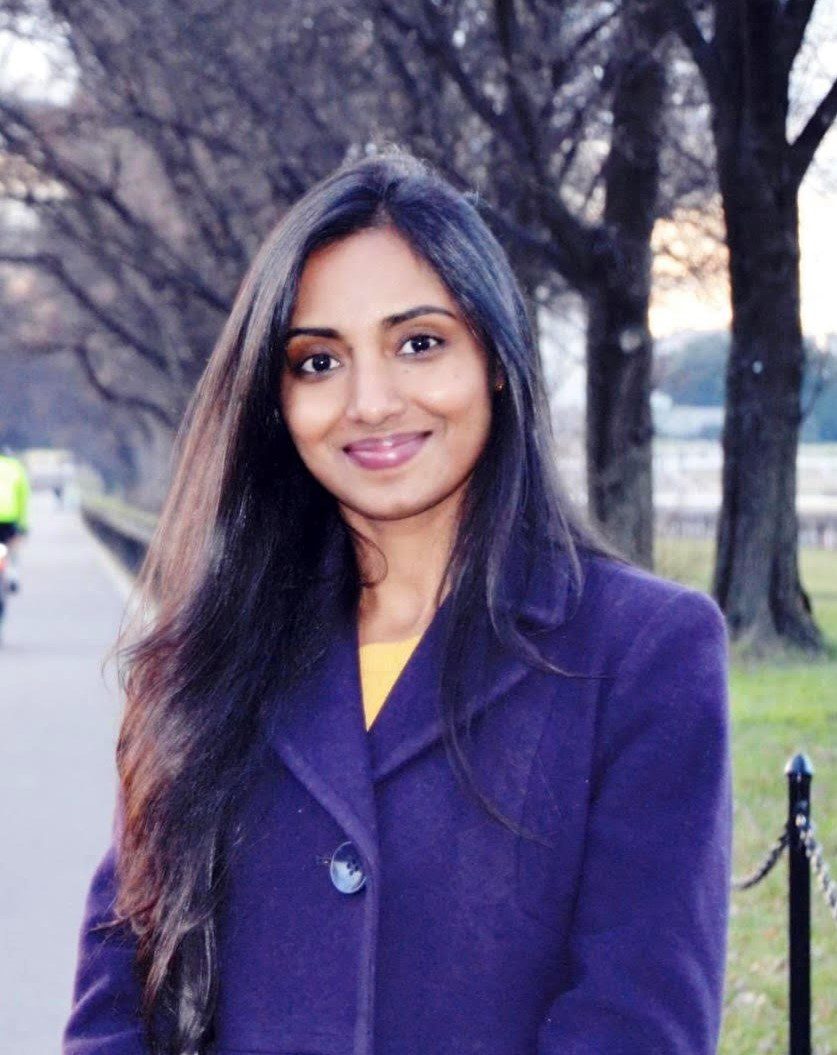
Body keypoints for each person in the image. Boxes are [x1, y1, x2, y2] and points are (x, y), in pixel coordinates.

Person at [63, 150, 732, 1055]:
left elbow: (635, 1024)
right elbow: (117, 1013)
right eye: (317, 360)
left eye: (419, 342)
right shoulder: (203, 660)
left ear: (495, 356)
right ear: (276, 396)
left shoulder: (643, 652)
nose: (369, 402)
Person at [0, 445, 30, 592]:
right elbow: (23, 497)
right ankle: (13, 575)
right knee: (13, 544)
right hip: (9, 516)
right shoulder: (16, 468)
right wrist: (23, 524)